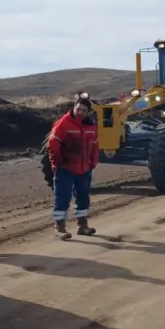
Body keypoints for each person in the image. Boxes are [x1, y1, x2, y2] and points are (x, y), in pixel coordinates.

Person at [47, 97, 99, 240]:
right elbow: (53, 144)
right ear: (74, 108)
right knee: (63, 197)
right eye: (78, 109)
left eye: (84, 110)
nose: (80, 112)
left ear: (88, 112)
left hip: (84, 168)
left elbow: (95, 145)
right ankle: (59, 228)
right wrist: (58, 163)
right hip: (66, 168)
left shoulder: (91, 126)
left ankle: (83, 226)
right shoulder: (63, 124)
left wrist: (93, 163)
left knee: (83, 197)